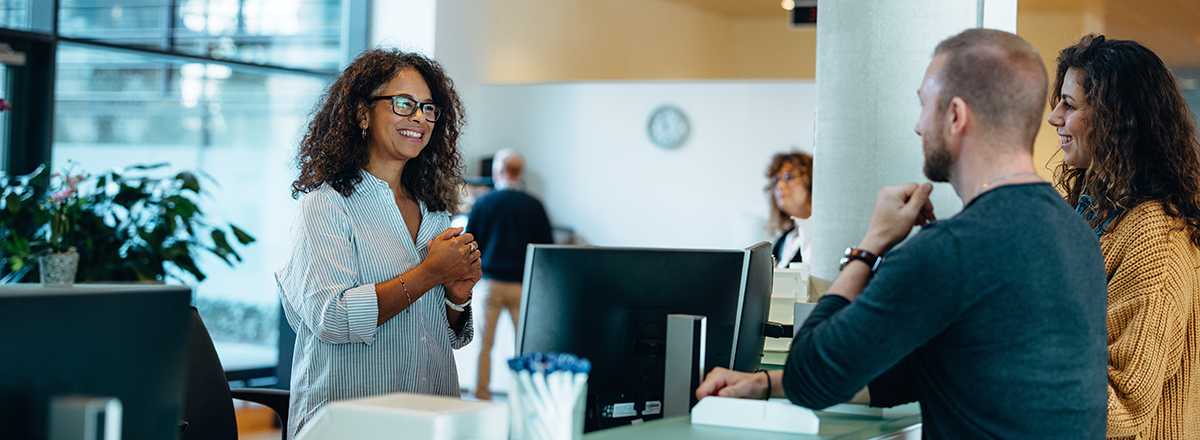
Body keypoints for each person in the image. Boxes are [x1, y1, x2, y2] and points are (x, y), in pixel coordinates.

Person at [695, 29, 1109, 438]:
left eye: (924, 106)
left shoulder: (949, 251)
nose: (917, 126)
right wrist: (766, 384)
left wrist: (870, 245)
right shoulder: (1075, 233)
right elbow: (918, 373)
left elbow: (810, 373)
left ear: (955, 116)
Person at [276, 48, 482, 439]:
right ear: (362, 113)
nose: (420, 118)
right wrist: (429, 273)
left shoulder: (434, 212)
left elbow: (438, 334)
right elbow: (331, 317)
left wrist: (456, 298)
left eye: (428, 108)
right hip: (348, 425)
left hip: (431, 418)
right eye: (404, 104)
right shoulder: (325, 205)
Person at [1047, 35, 1200, 440]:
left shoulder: (1154, 237)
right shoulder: (1094, 210)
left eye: (1071, 105)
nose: (1054, 117)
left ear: (1116, 118)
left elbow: (1120, 407)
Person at [465, 149, 554, 400]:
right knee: (523, 346)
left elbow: (471, 244)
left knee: (485, 344)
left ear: (498, 171)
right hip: (522, 287)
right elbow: (546, 249)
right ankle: (523, 395)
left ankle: (481, 394)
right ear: (520, 172)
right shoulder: (535, 205)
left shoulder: (484, 202)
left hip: (491, 284)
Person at [765, 151, 814, 268]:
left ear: (811, 182)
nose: (780, 186)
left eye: (788, 177)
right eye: (776, 180)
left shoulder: (822, 239)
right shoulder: (782, 241)